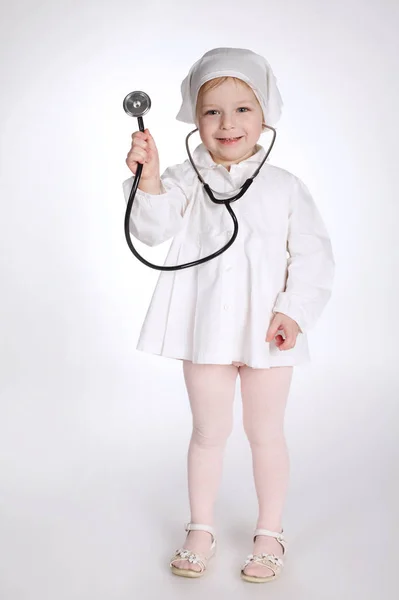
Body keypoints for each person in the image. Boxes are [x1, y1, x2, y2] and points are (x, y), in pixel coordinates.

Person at [122, 47, 335, 583]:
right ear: (194, 119)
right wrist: (147, 179)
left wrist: (293, 312)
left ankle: (269, 532)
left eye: (243, 109)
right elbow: (151, 229)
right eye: (212, 111)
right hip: (206, 332)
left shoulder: (285, 186)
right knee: (207, 432)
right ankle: (201, 528)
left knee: (266, 433)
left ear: (267, 114)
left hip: (269, 333)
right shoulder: (183, 177)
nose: (228, 123)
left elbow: (312, 256)